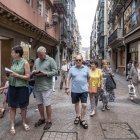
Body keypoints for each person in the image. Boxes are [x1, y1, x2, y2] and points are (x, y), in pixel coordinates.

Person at [7, 46, 30, 135]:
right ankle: (12, 125)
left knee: (23, 106)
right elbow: (12, 73)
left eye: (13, 52)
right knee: (12, 106)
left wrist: (17, 75)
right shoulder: (13, 61)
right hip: (12, 87)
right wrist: (9, 75)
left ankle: (24, 122)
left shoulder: (25, 63)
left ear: (18, 54)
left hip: (22, 87)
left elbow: (28, 77)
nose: (11, 54)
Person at [33, 46, 57, 130]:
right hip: (37, 85)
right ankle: (42, 118)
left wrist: (45, 73)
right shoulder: (36, 60)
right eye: (38, 55)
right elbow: (34, 69)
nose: (39, 56)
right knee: (39, 103)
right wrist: (34, 72)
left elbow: (55, 71)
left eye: (41, 55)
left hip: (46, 86)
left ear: (45, 53)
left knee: (47, 104)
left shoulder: (51, 60)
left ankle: (49, 120)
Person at [66, 54, 89, 129]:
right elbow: (68, 78)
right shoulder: (72, 69)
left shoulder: (86, 68)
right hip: (75, 90)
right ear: (75, 61)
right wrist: (67, 88)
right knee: (76, 104)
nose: (78, 61)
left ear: (82, 61)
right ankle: (77, 116)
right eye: (77, 60)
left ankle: (82, 119)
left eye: (79, 60)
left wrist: (89, 86)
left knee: (84, 105)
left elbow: (89, 78)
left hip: (84, 90)